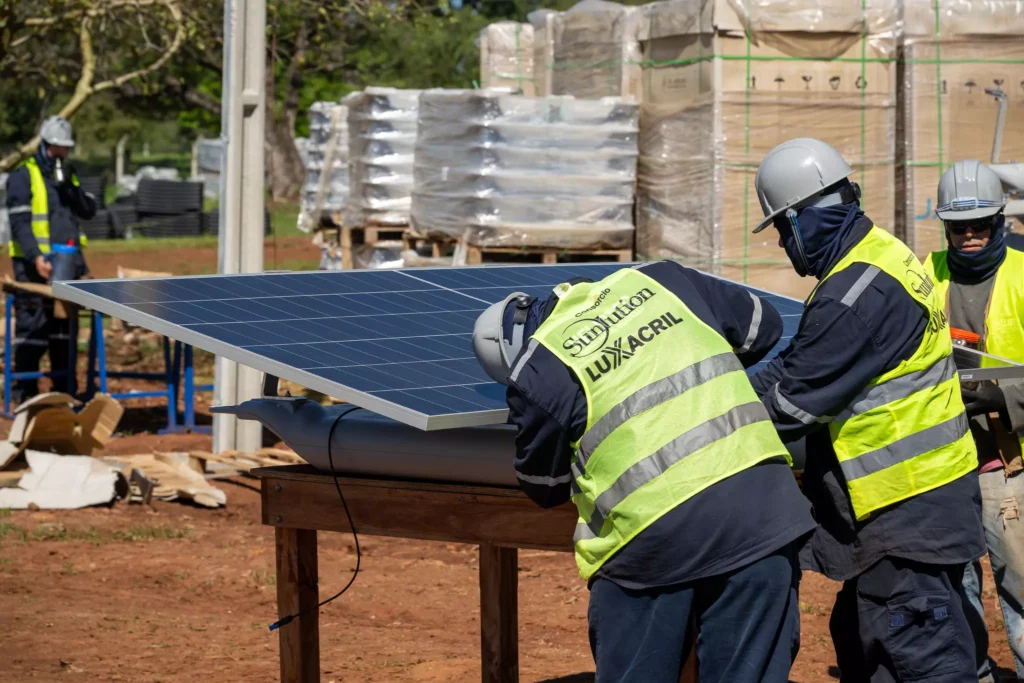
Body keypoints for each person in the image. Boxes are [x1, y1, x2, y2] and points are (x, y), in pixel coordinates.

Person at [472, 261, 816, 682]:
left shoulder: (537, 372)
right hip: (763, 515)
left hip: (651, 547)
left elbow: (544, 486)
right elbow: (762, 327)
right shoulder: (659, 278)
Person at [749, 137, 985, 682]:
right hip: (922, 499)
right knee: (866, 643)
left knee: (916, 654)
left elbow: (789, 403)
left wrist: (703, 406)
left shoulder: (854, 296)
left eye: (785, 229)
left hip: (904, 507)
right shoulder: (878, 254)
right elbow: (799, 364)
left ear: (810, 217)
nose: (785, 244)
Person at [923, 159, 1024, 683]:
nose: (968, 235)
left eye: (979, 223)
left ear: (1000, 220)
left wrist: (995, 390)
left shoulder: (1023, 277)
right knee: (953, 588)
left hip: (1007, 462)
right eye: (958, 225)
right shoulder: (926, 273)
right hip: (944, 460)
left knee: (1021, 591)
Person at [4, 115, 94, 402]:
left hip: (68, 265)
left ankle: (64, 393)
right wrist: (35, 258)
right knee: (33, 330)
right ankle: (25, 393)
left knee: (64, 333)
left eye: (65, 148)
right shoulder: (22, 176)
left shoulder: (68, 174)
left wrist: (72, 188)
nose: (61, 153)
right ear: (45, 144)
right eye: (57, 147)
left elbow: (88, 211)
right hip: (33, 268)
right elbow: (20, 226)